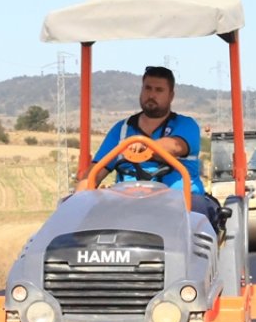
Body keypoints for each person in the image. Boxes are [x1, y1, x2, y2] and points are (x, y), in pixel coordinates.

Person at [83, 66, 218, 222]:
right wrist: (79, 197)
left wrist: (146, 146)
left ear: (171, 96)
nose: (151, 95)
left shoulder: (186, 125)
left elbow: (175, 146)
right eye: (148, 88)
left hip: (178, 201)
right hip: (127, 200)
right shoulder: (121, 130)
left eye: (159, 90)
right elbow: (96, 171)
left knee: (198, 213)